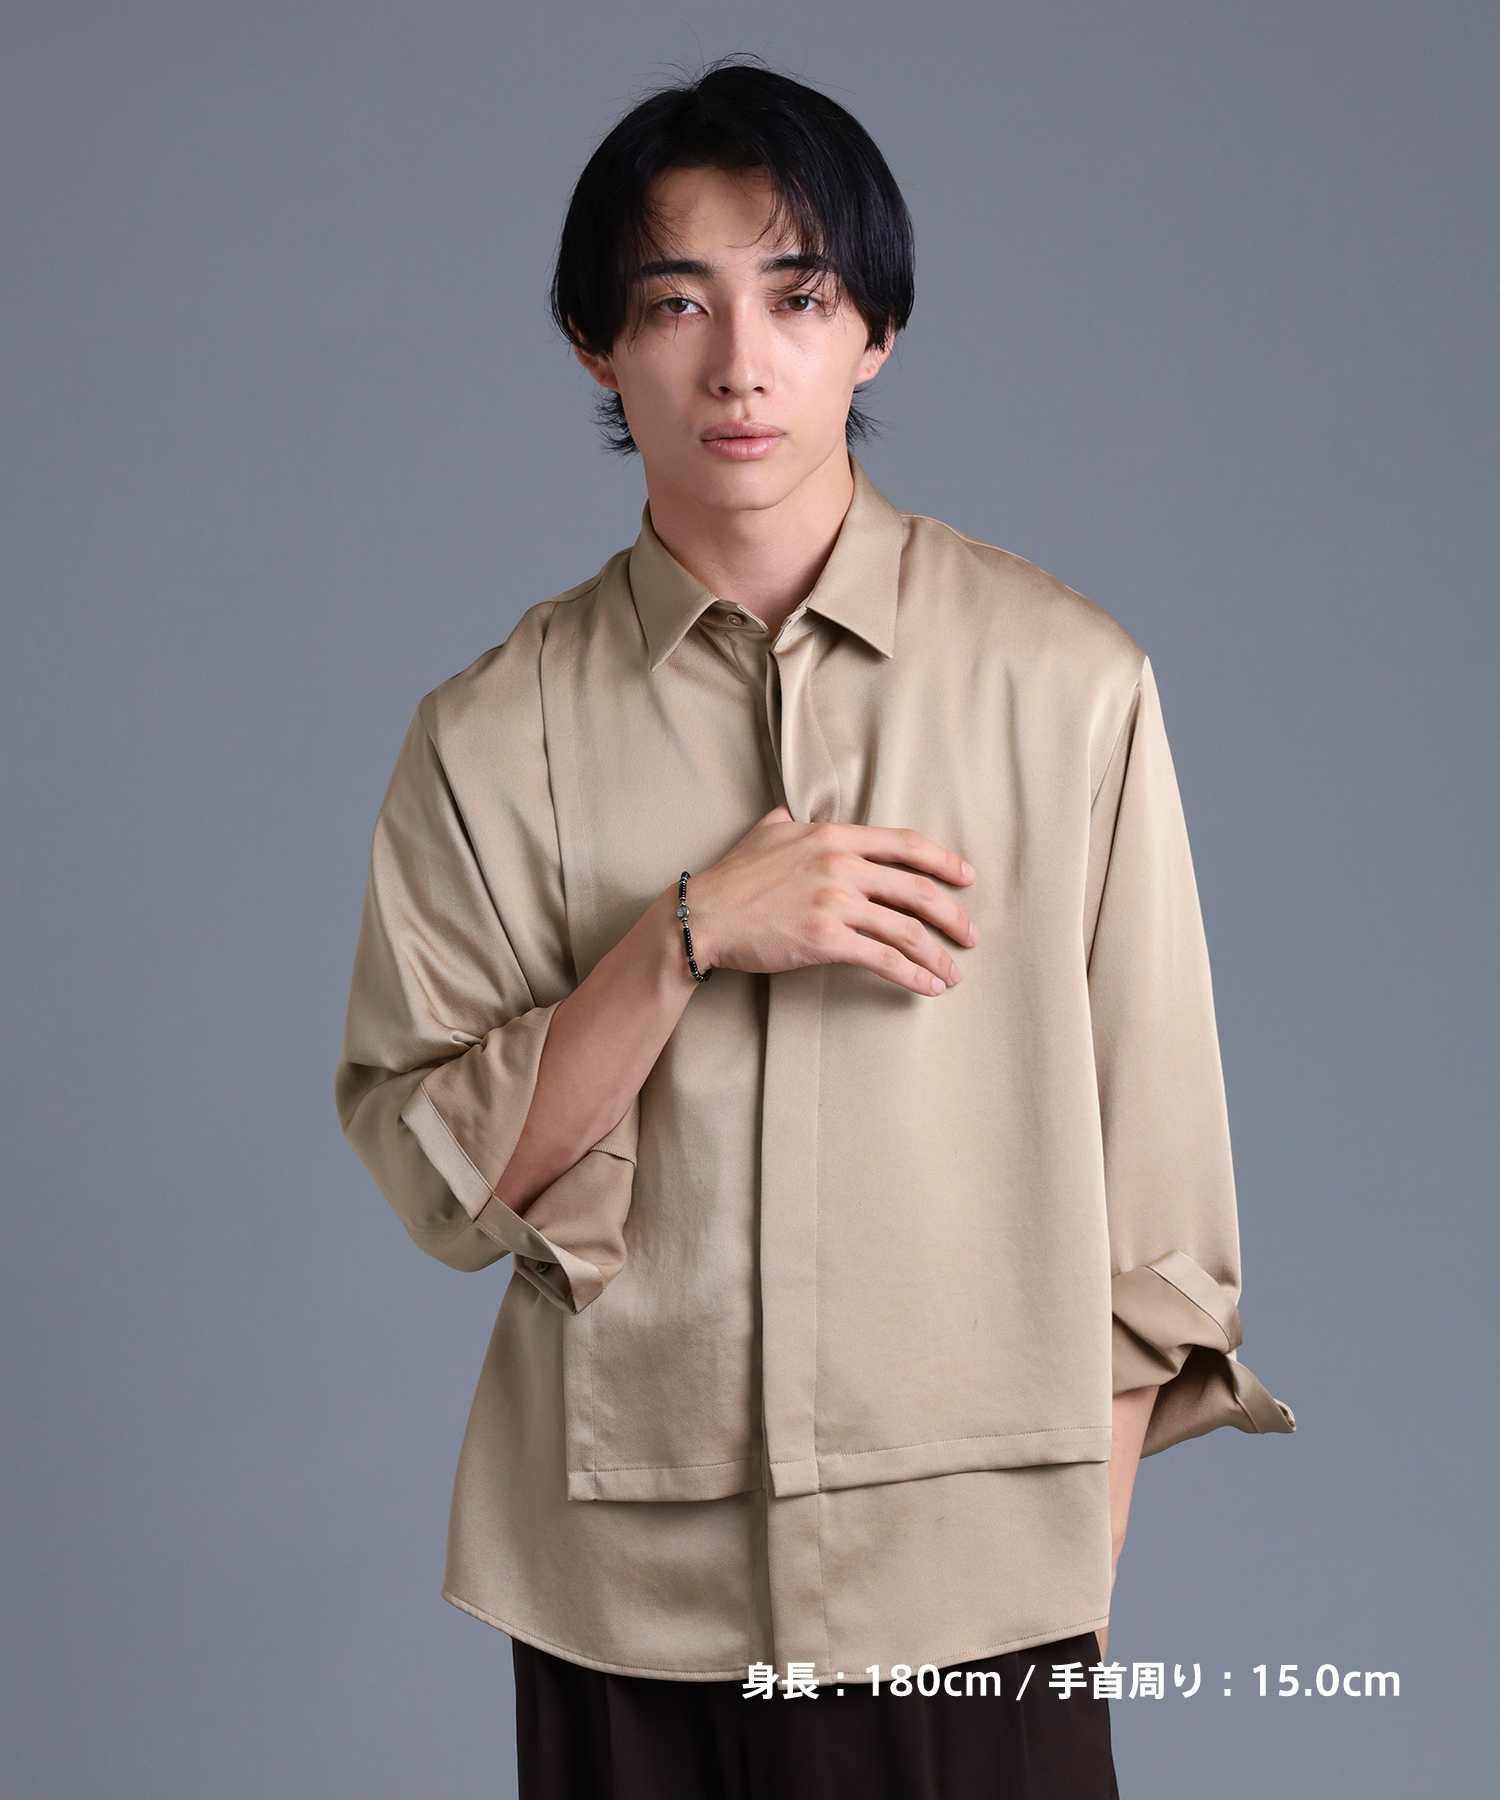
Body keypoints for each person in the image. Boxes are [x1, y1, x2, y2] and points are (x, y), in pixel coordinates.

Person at [333, 54, 1295, 1798]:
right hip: (625, 1605)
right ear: (595, 347)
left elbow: (1161, 1228)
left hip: (975, 1608)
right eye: (674, 303)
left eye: (799, 295)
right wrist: (684, 934)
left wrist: (1055, 1581)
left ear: (877, 332)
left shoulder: (1067, 688)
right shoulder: (488, 738)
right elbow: (449, 1179)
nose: (739, 363)